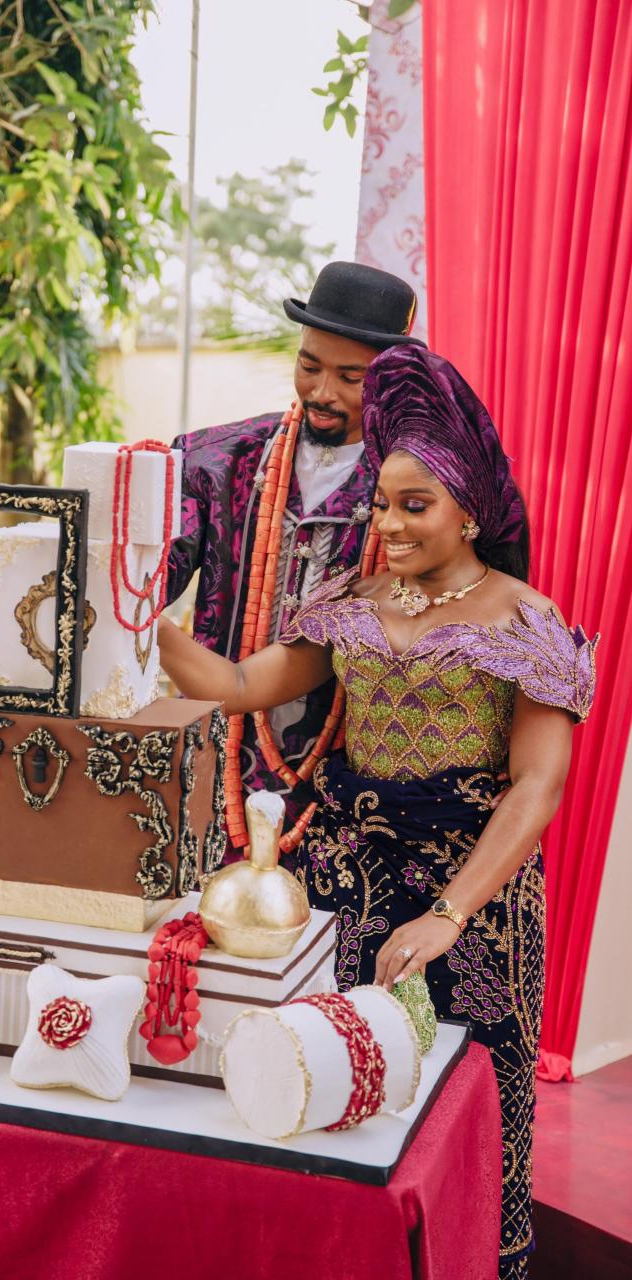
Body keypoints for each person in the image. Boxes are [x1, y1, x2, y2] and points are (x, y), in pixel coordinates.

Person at [158, 344, 597, 1280]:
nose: (387, 525)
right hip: (345, 883)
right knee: (334, 1075)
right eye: (381, 505)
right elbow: (234, 685)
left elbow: (536, 787)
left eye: (413, 506)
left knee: (460, 1102)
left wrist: (448, 915)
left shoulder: (525, 621)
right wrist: (130, 614)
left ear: (468, 509)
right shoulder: (353, 603)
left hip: (470, 900)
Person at [167, 261, 425, 854]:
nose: (322, 392)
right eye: (309, 366)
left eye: (351, 377)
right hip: (212, 772)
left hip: (352, 795)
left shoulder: (418, 493)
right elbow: (144, 580)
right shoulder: (216, 460)